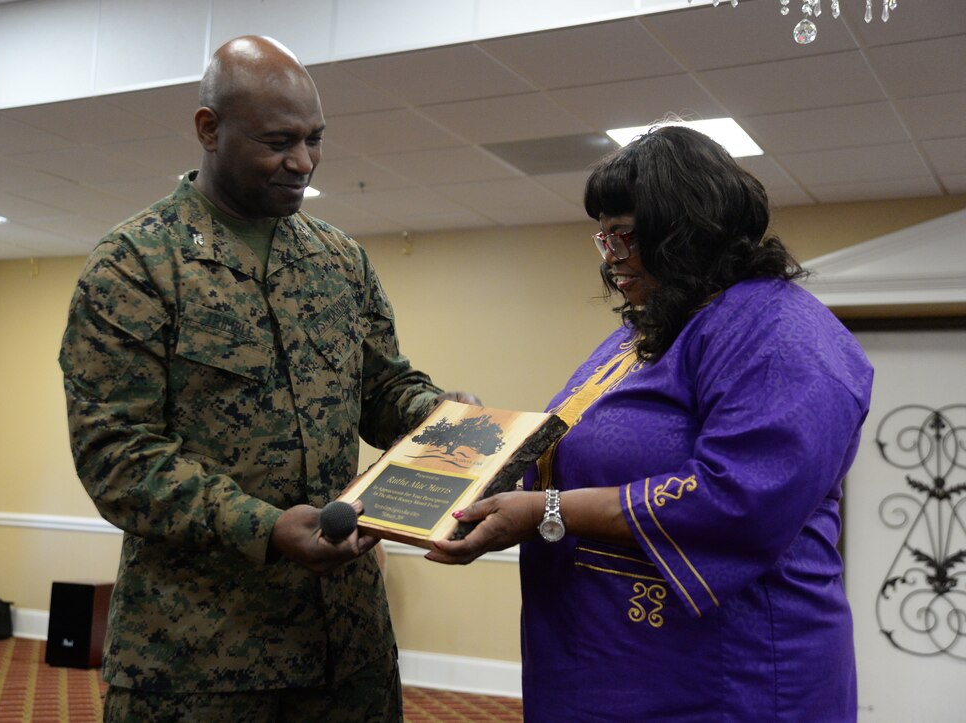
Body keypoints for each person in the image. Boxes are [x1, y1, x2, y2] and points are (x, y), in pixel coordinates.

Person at [59, 35, 477, 722]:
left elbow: (381, 389)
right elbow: (118, 460)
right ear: (208, 128)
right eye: (280, 141)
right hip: (200, 662)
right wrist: (267, 527)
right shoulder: (136, 265)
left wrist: (441, 414)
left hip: (348, 653)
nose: (304, 162)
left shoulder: (339, 260)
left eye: (315, 140)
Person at [427, 125, 873, 721]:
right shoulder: (640, 335)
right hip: (607, 657)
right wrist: (477, 453)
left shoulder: (783, 335)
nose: (610, 256)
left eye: (626, 234)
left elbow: (739, 497)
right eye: (602, 235)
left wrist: (548, 513)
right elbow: (572, 455)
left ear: (688, 228)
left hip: (724, 676)